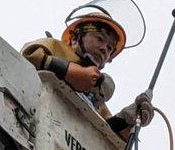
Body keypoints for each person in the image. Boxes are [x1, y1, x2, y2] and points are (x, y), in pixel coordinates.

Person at [21, 10, 152, 139]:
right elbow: (30, 55)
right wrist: (70, 71)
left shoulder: (94, 95)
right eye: (100, 39)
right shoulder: (56, 48)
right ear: (75, 38)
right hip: (29, 122)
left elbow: (103, 128)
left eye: (110, 48)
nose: (104, 49)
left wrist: (125, 120)